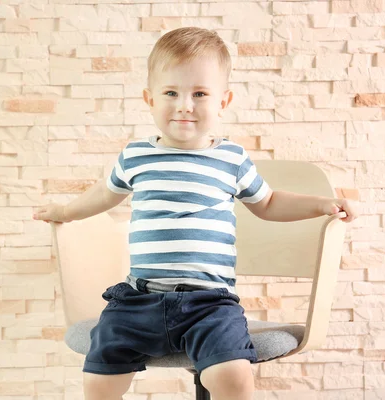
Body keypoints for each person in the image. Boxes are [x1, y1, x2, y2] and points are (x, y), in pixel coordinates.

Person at [33, 27, 359, 400]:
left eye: (199, 94)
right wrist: (64, 211)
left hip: (210, 303)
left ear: (223, 101)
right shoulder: (136, 156)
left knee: (234, 377)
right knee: (98, 378)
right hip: (139, 300)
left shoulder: (231, 159)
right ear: (149, 99)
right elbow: (103, 196)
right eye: (171, 93)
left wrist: (320, 205)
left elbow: (268, 203)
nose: (184, 104)